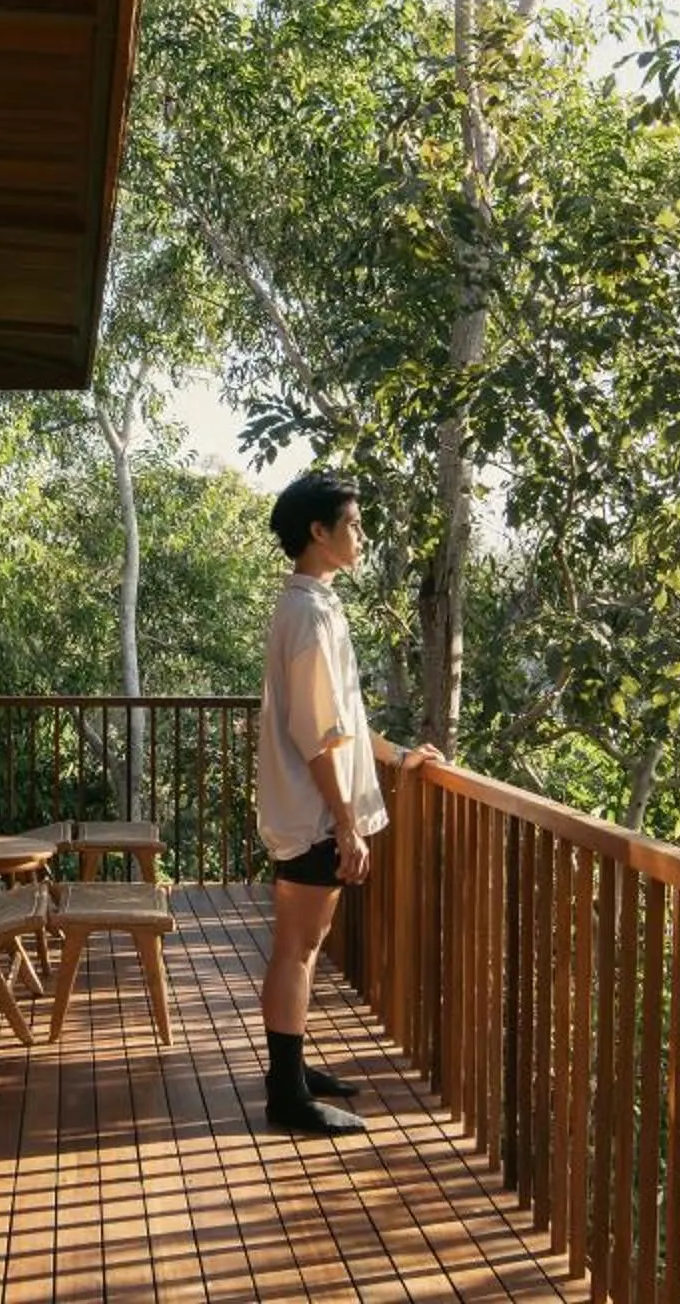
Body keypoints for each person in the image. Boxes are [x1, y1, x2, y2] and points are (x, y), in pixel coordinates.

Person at [254, 470, 440, 1135]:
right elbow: (315, 731)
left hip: (313, 811)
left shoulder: (315, 605)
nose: (362, 534)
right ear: (319, 532)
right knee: (297, 949)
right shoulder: (307, 614)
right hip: (312, 815)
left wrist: (399, 757)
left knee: (304, 943)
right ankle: (286, 1096)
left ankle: (292, 1072)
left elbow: (347, 720)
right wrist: (344, 821)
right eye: (354, 524)